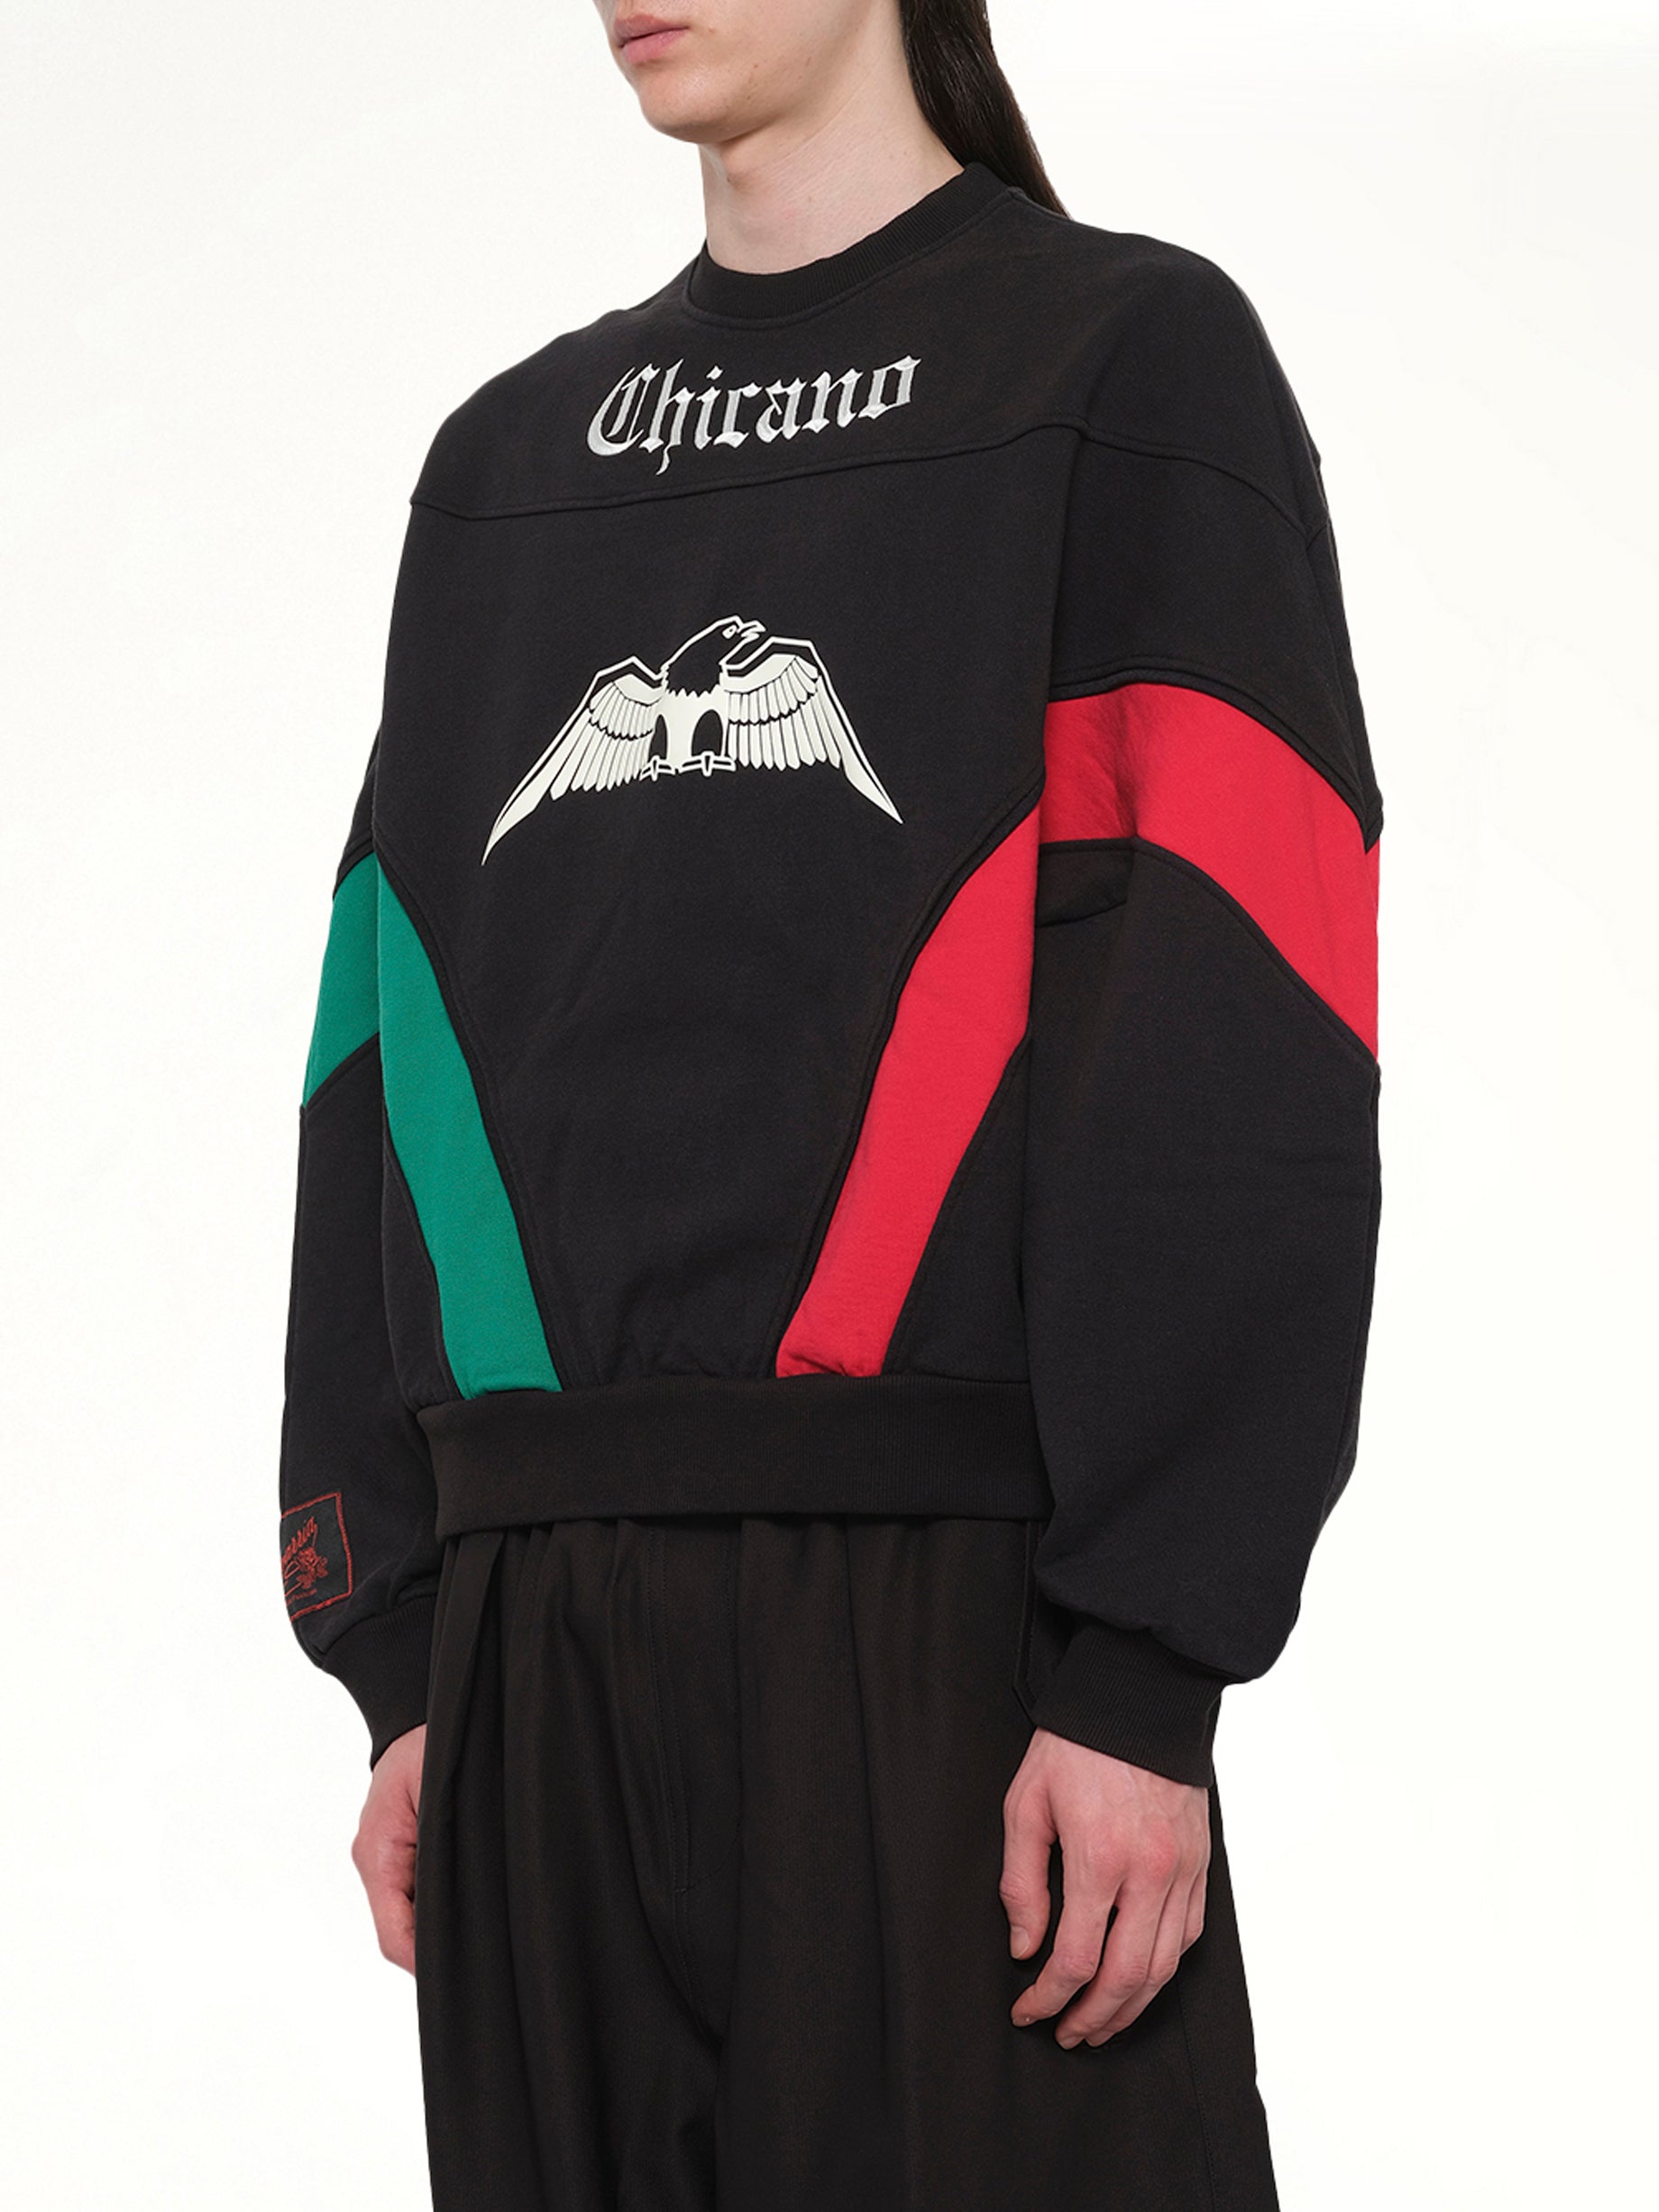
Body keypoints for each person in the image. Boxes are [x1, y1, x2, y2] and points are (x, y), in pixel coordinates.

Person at [278, 3, 1383, 2205]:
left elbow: (1237, 1003)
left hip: (944, 1639)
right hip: (529, 1663)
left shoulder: (1116, 367)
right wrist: (396, 1645)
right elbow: (376, 1034)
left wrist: (1140, 1663)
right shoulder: (507, 462)